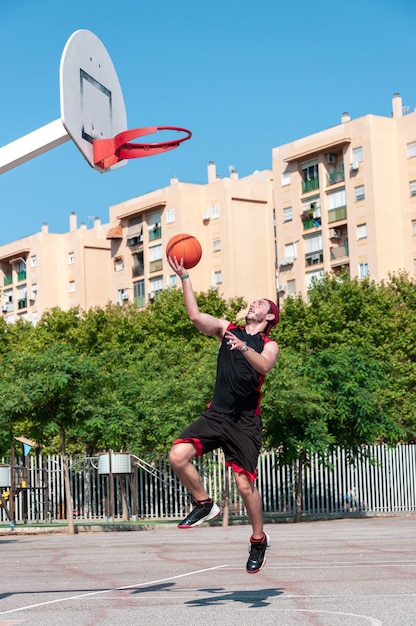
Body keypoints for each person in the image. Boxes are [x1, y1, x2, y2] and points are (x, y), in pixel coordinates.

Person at [167, 256, 279, 574]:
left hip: (245, 422)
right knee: (177, 455)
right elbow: (195, 316)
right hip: (216, 415)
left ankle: (258, 540)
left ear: (269, 315)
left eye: (260, 304)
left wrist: (243, 348)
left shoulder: (269, 343)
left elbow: (264, 365)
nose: (253, 304)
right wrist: (185, 277)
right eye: (253, 302)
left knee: (245, 486)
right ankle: (204, 503)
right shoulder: (227, 328)